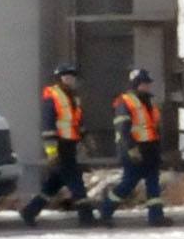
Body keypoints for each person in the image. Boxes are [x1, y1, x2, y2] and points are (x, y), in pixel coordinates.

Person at [20, 64, 96, 226]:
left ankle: (29, 211)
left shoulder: (73, 97)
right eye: (66, 76)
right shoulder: (52, 96)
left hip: (70, 145)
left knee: (53, 185)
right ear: (59, 78)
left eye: (72, 76)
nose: (69, 79)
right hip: (60, 146)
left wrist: (86, 137)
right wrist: (52, 152)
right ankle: (86, 217)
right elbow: (48, 127)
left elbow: (77, 122)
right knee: (76, 182)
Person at [101, 68, 167, 226]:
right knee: (128, 183)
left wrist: (157, 147)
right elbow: (123, 128)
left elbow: (154, 126)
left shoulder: (150, 101)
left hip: (150, 148)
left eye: (148, 84)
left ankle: (156, 217)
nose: (148, 86)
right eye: (144, 83)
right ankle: (105, 211)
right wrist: (132, 149)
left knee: (153, 183)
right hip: (133, 149)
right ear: (136, 84)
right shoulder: (125, 102)